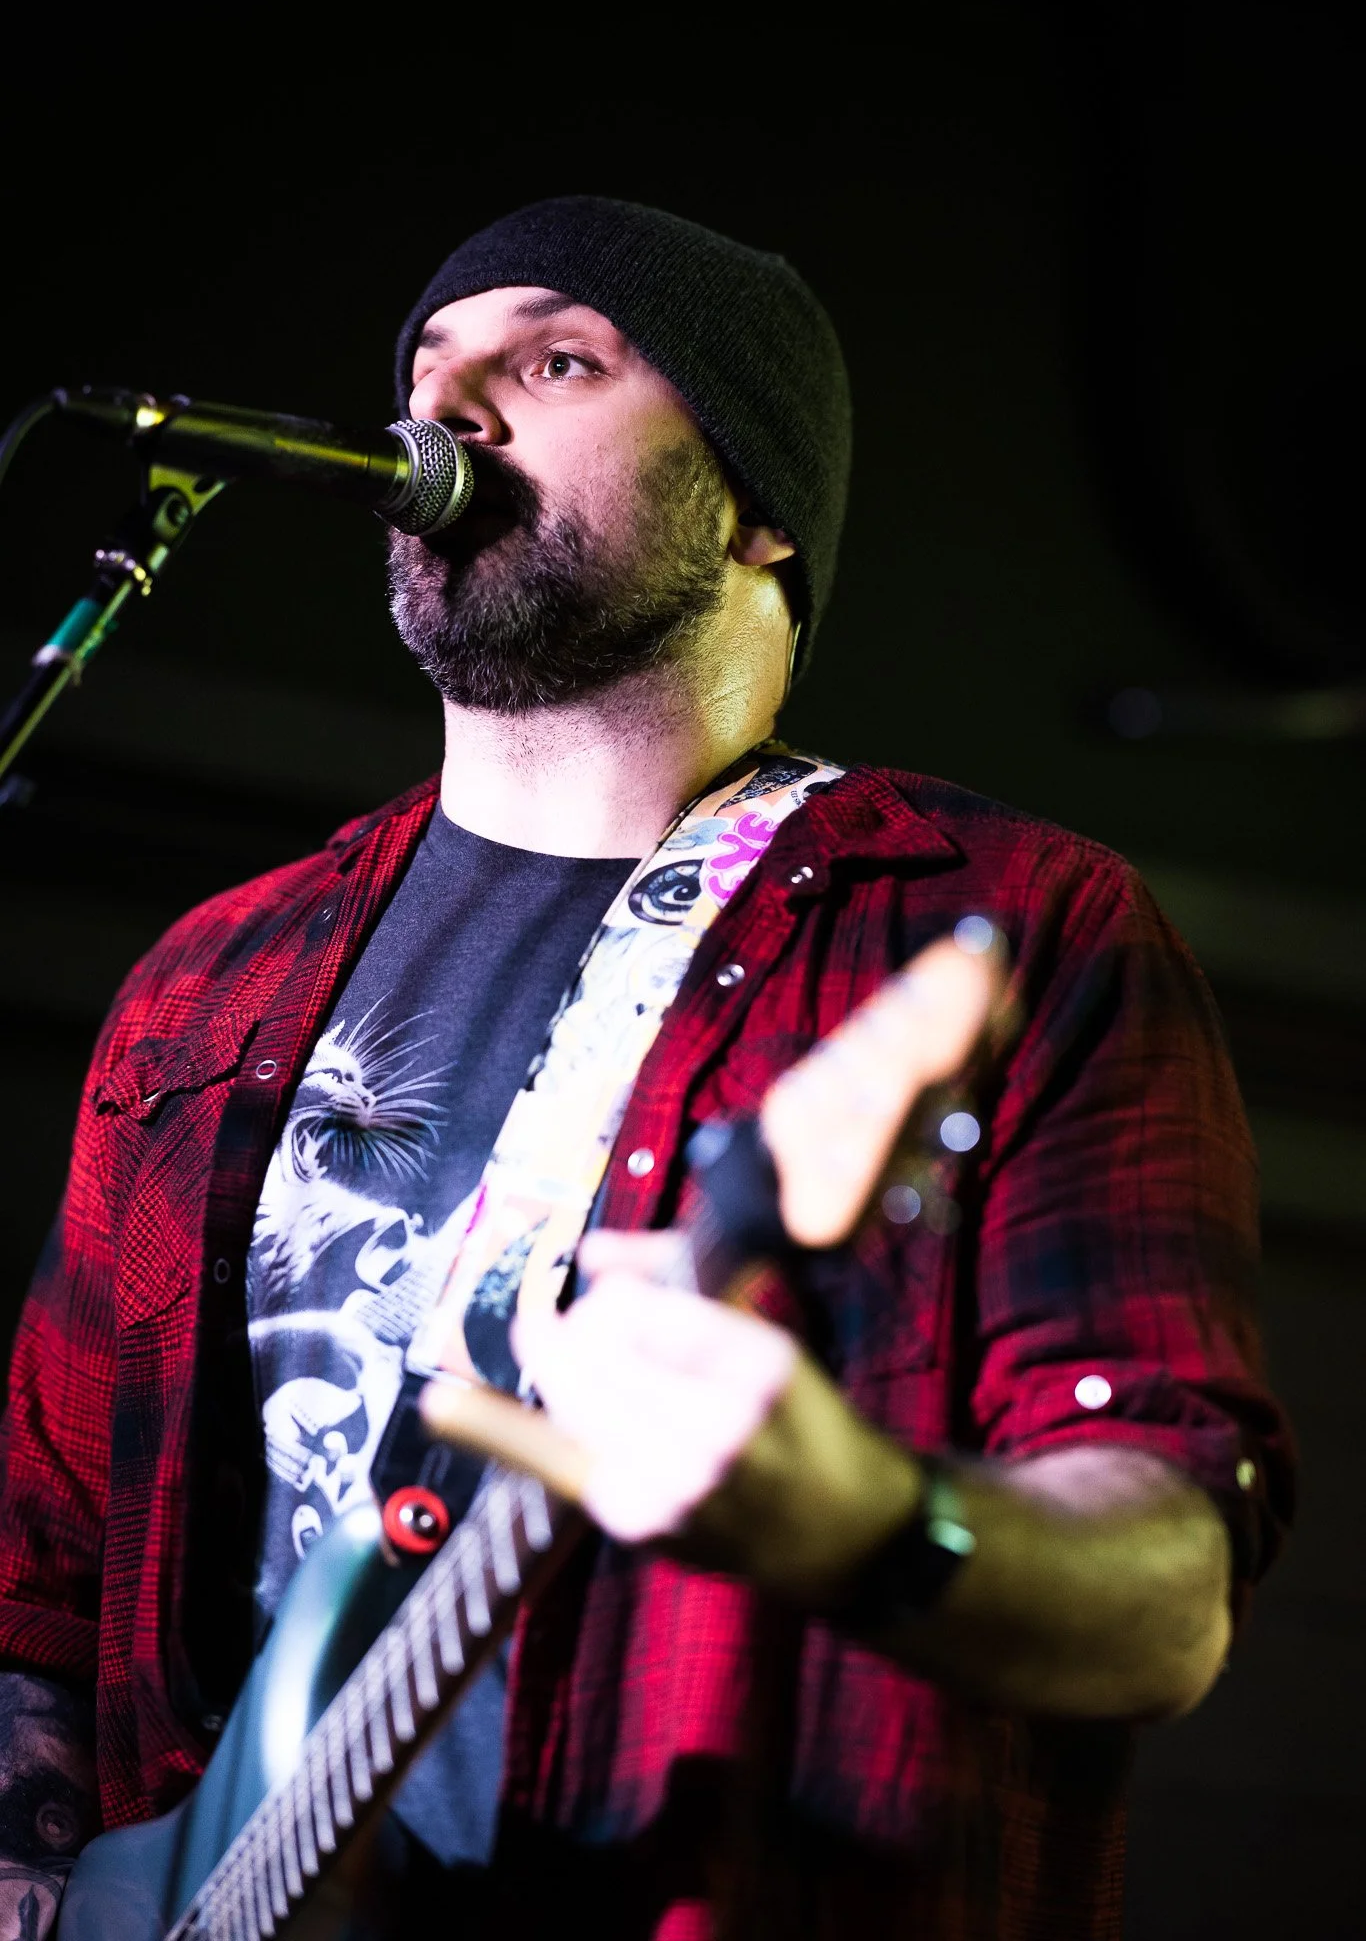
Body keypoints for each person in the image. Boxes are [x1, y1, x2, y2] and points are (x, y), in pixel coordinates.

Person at [0, 197, 1292, 1941]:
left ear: (758, 506)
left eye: (550, 360)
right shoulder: (205, 984)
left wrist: (866, 1523)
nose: (442, 413)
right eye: (427, 370)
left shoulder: (1006, 929)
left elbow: (1161, 1589)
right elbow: (43, 1592)